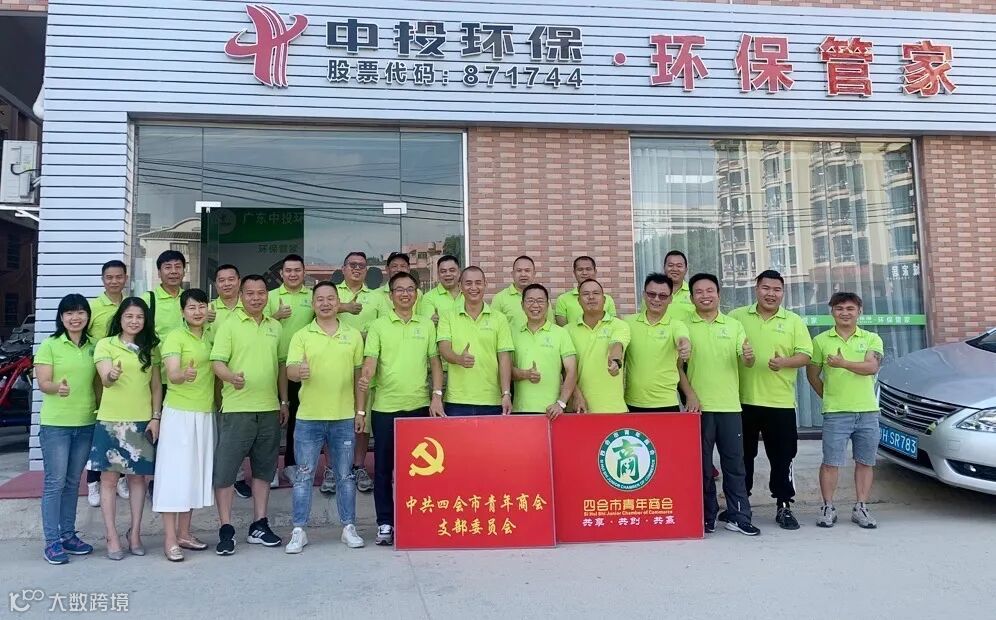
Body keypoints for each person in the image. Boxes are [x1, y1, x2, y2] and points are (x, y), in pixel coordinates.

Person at [361, 271, 445, 546]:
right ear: (390, 295)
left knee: (420, 471)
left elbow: (434, 362)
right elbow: (370, 361)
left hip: (419, 407)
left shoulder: (427, 325)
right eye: (399, 289)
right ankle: (385, 523)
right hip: (386, 409)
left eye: (410, 289)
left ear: (417, 294)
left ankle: (416, 521)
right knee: (383, 470)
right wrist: (366, 376)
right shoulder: (379, 326)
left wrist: (436, 395)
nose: (405, 294)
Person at [284, 281, 366, 553]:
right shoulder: (302, 335)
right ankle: (299, 530)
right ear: (313, 304)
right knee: (304, 475)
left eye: (331, 298)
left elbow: (359, 376)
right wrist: (299, 373)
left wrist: (360, 411)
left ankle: (348, 527)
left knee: (345, 475)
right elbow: (290, 370)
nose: (326, 303)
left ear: (338, 302)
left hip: (343, 417)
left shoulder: (353, 335)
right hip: (309, 418)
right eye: (320, 299)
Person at [730, 270, 813, 531]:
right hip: (742, 401)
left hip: (780, 403)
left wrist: (784, 362)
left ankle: (784, 505)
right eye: (766, 288)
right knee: (743, 457)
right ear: (756, 289)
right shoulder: (737, 317)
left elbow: (806, 355)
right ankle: (741, 506)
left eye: (776, 290)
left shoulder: (793, 321)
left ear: (783, 292)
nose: (771, 294)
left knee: (783, 458)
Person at [210, 274, 287, 555]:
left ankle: (259, 524)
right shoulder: (229, 325)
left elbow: (281, 366)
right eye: (250, 293)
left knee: (264, 469)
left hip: (268, 408)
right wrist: (231, 377)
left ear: (268, 295)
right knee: (226, 472)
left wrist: (284, 401)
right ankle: (226, 528)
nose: (256, 298)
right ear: (241, 296)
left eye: (261, 293)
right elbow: (217, 362)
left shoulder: (275, 327)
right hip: (237, 409)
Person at [682, 273, 760, 536]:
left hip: (729, 407)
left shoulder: (734, 325)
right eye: (699, 292)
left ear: (718, 294)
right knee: (702, 467)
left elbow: (746, 359)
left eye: (710, 291)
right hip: (699, 409)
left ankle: (739, 516)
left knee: (734, 465)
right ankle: (707, 515)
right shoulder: (684, 326)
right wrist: (690, 394)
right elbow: (677, 367)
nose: (705, 296)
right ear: (691, 297)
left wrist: (749, 356)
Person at [90, 297, 162, 560]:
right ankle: (111, 535)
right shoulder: (105, 344)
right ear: (120, 318)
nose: (134, 321)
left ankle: (135, 534)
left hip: (141, 421)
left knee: (137, 479)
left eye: (139, 317)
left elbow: (156, 386)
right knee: (109, 480)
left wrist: (155, 417)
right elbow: (106, 379)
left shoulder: (150, 348)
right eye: (129, 316)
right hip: (111, 422)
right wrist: (112, 375)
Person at [806, 292, 883, 530]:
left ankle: (861, 507)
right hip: (836, 413)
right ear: (832, 312)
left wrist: (843, 364)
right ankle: (828, 507)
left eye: (850, 308)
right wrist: (830, 396)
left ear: (859, 311)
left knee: (865, 462)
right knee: (831, 462)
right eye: (839, 308)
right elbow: (812, 375)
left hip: (867, 412)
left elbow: (871, 367)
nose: (845, 313)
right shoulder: (820, 341)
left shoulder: (872, 338)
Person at [153, 288, 216, 562]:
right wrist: (183, 375)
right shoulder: (174, 337)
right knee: (173, 476)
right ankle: (169, 539)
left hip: (204, 412)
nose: (198, 312)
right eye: (191, 307)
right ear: (182, 311)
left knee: (193, 474)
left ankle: (184, 533)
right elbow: (173, 373)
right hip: (179, 414)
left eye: (202, 306)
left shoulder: (210, 336)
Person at [35, 294, 98, 564]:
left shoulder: (94, 346)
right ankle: (52, 542)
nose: (76, 317)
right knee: (55, 483)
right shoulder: (50, 344)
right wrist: (56, 388)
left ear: (87, 316)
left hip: (85, 423)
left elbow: (98, 382)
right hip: (56, 425)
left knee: (73, 482)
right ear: (61, 317)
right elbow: (43, 382)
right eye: (70, 313)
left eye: (81, 312)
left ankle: (68, 536)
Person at [438, 267, 514, 416]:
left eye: (478, 283)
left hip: (491, 400)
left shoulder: (499, 318)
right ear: (460, 286)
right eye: (468, 283)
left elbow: (504, 358)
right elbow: (444, 349)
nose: (473, 287)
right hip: (457, 401)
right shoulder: (448, 316)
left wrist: (506, 393)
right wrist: (458, 359)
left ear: (485, 284)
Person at [265, 254, 313, 487]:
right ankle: (270, 468)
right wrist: (276, 316)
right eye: (288, 270)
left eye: (297, 270)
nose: (293, 274)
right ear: (281, 273)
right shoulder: (270, 296)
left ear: (304, 273)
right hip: (271, 365)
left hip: (298, 368)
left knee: (296, 419)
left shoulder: (312, 296)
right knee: (271, 420)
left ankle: (291, 465)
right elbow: (257, 322)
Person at [334, 251, 379, 496]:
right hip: (335, 364)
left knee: (362, 418)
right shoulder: (333, 292)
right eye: (352, 264)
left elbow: (384, 326)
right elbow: (318, 311)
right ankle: (333, 468)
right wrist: (344, 307)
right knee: (334, 417)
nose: (357, 268)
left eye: (361, 265)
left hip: (365, 366)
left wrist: (366, 337)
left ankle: (359, 466)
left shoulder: (377, 297)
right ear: (343, 268)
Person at [86, 260, 130, 506]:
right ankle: (93, 481)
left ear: (125, 278)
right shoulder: (92, 307)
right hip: (100, 379)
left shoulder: (130, 305)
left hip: (126, 380)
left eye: (118, 277)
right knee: (100, 432)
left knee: (120, 430)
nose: (114, 281)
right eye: (109, 277)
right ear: (103, 280)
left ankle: (120, 477)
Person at [206, 264, 251, 500]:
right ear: (216, 284)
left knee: (238, 429)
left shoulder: (250, 306)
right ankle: (217, 475)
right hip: (213, 377)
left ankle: (239, 476)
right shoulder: (208, 309)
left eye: (231, 279)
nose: (226, 284)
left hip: (243, 378)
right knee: (217, 425)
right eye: (221, 280)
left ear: (239, 281)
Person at [624, 274, 692, 412]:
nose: (656, 299)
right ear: (644, 295)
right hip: (632, 402)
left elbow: (682, 339)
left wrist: (685, 346)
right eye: (651, 294)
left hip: (667, 403)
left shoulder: (676, 325)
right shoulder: (627, 323)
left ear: (670, 299)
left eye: (662, 296)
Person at [511, 284, 577, 417]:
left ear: (548, 305)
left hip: (552, 412)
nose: (535, 305)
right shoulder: (513, 333)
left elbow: (572, 370)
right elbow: (505, 370)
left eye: (540, 301)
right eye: (530, 301)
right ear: (522, 305)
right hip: (520, 410)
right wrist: (525, 374)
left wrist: (561, 403)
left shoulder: (561, 333)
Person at [567, 279, 630, 414]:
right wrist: (576, 395)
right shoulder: (567, 330)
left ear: (604, 299)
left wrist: (615, 361)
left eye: (596, 293)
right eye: (586, 294)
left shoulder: (619, 325)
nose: (591, 297)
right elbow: (565, 369)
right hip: (579, 409)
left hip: (614, 409)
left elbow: (617, 344)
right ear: (578, 300)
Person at [492, 255, 552, 329]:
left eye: (527, 270)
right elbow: (494, 327)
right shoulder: (499, 298)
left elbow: (550, 325)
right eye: (519, 270)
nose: (523, 274)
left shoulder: (542, 297)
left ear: (534, 274)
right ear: (512, 274)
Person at [142, 250, 186, 343]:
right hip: (157, 352)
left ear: (184, 272)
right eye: (168, 267)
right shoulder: (147, 299)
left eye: (178, 267)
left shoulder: (189, 298)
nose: (173, 271)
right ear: (159, 273)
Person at [375, 252, 424, 318]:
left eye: (403, 266)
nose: (399, 269)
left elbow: (420, 318)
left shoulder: (417, 293)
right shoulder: (376, 294)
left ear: (408, 269)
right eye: (394, 266)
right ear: (387, 269)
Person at [420, 254, 463, 322]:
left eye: (452, 270)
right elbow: (427, 324)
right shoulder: (429, 298)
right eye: (443, 271)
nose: (448, 274)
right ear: (438, 274)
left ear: (459, 272)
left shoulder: (468, 295)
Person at [663, 250, 693, 316]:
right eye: (670, 265)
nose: (675, 269)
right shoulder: (653, 293)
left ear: (686, 270)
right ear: (664, 268)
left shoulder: (693, 292)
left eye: (679, 266)